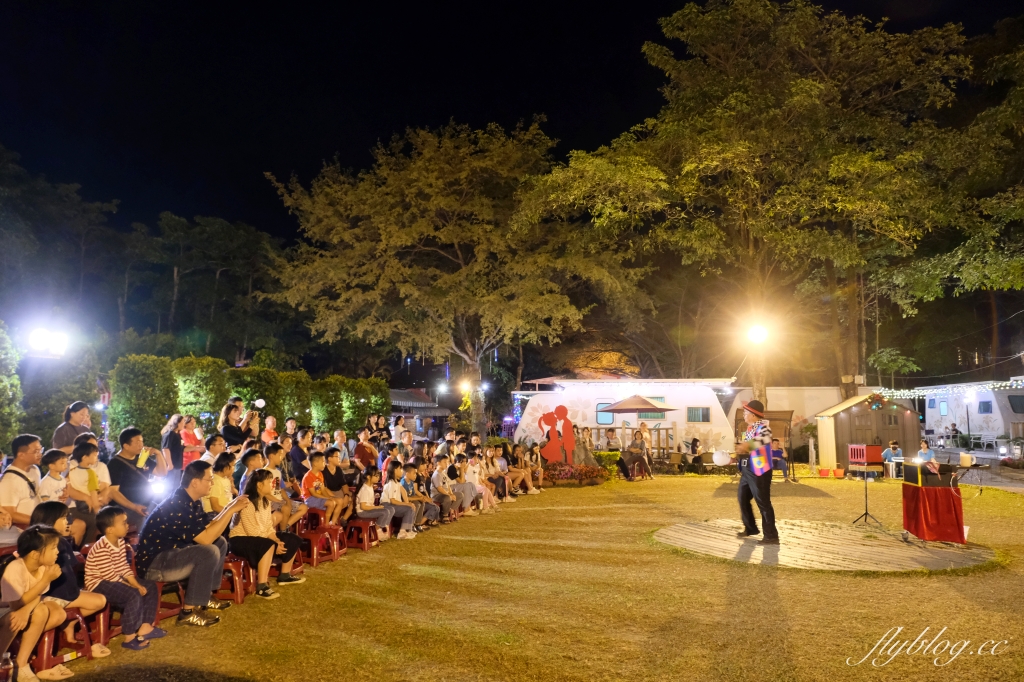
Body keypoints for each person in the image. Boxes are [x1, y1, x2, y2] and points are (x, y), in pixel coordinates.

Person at [134, 461, 248, 627]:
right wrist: (230, 511)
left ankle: (206, 596)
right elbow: (205, 539)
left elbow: (208, 527)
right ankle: (188, 612)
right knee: (209, 550)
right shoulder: (178, 505)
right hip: (155, 564)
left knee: (220, 542)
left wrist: (229, 507)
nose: (212, 483)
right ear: (195, 482)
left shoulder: (190, 500)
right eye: (209, 480)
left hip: (172, 554)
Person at [29, 502, 110, 659]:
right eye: (65, 518)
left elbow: (73, 568)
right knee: (54, 616)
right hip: (50, 597)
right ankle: (33, 643)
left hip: (71, 594)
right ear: (50, 519)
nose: (69, 522)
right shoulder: (39, 546)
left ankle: (69, 623)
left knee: (100, 600)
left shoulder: (64, 542)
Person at [1, 525, 75, 681]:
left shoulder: (43, 567)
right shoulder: (15, 569)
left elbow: (38, 595)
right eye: (53, 548)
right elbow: (15, 605)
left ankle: (21, 664)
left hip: (19, 608)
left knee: (57, 613)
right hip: (5, 609)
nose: (57, 552)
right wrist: (46, 580)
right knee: (18, 618)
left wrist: (26, 611)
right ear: (35, 554)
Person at [84, 506, 162, 650]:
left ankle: (146, 626)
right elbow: (108, 575)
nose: (127, 525)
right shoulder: (101, 547)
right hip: (99, 583)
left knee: (150, 586)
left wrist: (136, 583)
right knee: (132, 594)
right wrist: (133, 587)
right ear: (110, 529)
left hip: (115, 579)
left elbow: (123, 568)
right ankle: (129, 635)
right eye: (123, 523)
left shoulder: (120, 541)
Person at [229, 469, 305, 600]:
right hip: (240, 540)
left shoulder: (264, 500)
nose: (272, 484)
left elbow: (268, 526)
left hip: (259, 536)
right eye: (269, 482)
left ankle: (285, 575)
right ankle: (262, 586)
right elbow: (252, 532)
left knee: (291, 538)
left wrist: (276, 539)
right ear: (259, 485)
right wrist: (274, 543)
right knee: (268, 544)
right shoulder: (247, 502)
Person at [733, 400, 779, 545]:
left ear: (753, 415)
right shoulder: (750, 429)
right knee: (742, 498)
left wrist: (746, 445)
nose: (744, 415)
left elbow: (763, 440)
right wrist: (735, 458)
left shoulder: (764, 428)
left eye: (746, 413)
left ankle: (771, 536)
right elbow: (746, 450)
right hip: (748, 470)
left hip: (760, 470)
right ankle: (751, 528)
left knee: (763, 503)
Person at [106, 427, 166, 529]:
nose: (141, 445)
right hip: (128, 509)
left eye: (142, 441)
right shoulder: (115, 464)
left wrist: (158, 454)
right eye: (137, 442)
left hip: (147, 504)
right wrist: (134, 507)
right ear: (126, 446)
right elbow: (113, 492)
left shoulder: (141, 457)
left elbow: (162, 473)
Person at [0, 434, 43, 526]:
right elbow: (10, 514)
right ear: (21, 455)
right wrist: (42, 523)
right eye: (36, 451)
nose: (40, 454)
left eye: (41, 450)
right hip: (22, 531)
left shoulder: (34, 470)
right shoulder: (9, 480)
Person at [264, 443, 308, 532]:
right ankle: (283, 532)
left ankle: (286, 526)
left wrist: (287, 500)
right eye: (280, 455)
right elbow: (265, 493)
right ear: (271, 456)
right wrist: (279, 501)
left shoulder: (278, 472)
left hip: (279, 500)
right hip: (270, 502)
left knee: (304, 507)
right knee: (285, 508)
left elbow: (281, 489)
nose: (282, 457)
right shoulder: (264, 472)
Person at [66, 443, 103, 546]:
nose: (97, 458)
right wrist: (97, 510)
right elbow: (93, 494)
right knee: (96, 523)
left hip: (73, 509)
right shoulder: (91, 473)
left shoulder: (71, 471)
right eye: (95, 455)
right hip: (87, 509)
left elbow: (68, 488)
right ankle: (86, 547)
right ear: (85, 458)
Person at [301, 451, 343, 526]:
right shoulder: (308, 476)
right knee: (331, 503)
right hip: (310, 499)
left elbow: (323, 489)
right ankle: (326, 524)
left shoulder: (320, 474)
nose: (325, 463)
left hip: (319, 497)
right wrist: (327, 498)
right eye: (323, 461)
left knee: (339, 501)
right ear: (315, 464)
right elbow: (313, 493)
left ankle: (332, 522)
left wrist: (329, 497)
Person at [380, 462, 417, 539]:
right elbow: (392, 501)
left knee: (410, 507)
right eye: (400, 469)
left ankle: (407, 530)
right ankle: (402, 532)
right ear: (394, 470)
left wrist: (408, 503)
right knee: (409, 508)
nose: (401, 471)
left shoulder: (397, 482)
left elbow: (403, 491)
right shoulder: (391, 483)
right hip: (387, 505)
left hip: (393, 505)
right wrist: (407, 504)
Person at [355, 467, 393, 540]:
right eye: (375, 476)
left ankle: (379, 529)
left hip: (368, 510)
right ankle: (375, 531)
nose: (378, 478)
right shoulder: (365, 489)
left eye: (378, 476)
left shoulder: (370, 487)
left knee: (391, 509)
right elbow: (363, 507)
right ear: (368, 477)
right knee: (385, 512)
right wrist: (377, 507)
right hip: (363, 512)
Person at [402, 463, 438, 530]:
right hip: (404, 502)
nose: (416, 475)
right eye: (414, 473)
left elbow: (413, 495)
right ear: (407, 473)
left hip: (410, 500)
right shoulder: (403, 483)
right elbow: (405, 498)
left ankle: (417, 523)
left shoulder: (411, 483)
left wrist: (422, 498)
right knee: (417, 504)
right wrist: (419, 498)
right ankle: (411, 524)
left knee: (421, 502)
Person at [430, 454, 460, 521]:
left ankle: (451, 510)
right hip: (437, 495)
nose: (447, 464)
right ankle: (445, 515)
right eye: (445, 462)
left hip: (445, 493)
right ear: (438, 463)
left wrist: (451, 493)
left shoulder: (443, 473)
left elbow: (448, 485)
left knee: (460, 495)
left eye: (447, 462)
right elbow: (439, 488)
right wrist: (449, 495)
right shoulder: (436, 474)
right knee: (447, 498)